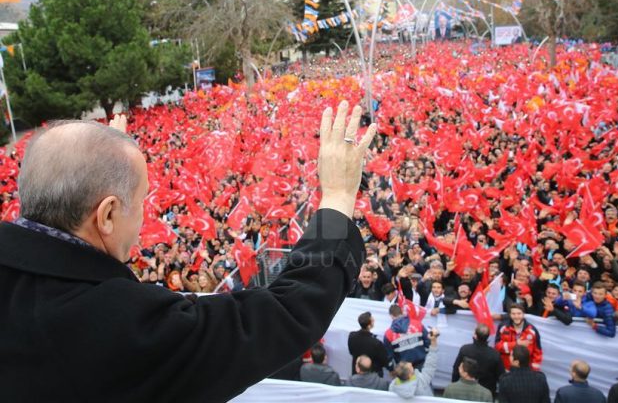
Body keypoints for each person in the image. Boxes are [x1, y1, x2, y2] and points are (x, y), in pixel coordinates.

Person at [0, 103, 377, 401]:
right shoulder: (130, 328)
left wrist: (100, 160)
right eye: (142, 200)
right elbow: (289, 312)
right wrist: (339, 197)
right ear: (108, 214)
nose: (146, 213)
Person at [452, 323, 505, 397]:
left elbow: (456, 369)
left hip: (465, 389)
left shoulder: (465, 349)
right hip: (487, 391)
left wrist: (454, 385)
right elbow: (501, 376)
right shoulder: (495, 354)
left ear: (475, 335)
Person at [389, 328, 440, 398]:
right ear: (410, 375)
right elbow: (430, 365)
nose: (410, 363)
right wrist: (433, 341)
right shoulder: (422, 382)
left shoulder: (392, 386)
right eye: (411, 367)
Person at [495, 304, 543, 371]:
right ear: (510, 315)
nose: (516, 316)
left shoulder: (532, 330)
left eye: (519, 313)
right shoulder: (503, 327)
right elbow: (497, 347)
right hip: (506, 368)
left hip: (525, 369)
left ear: (523, 314)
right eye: (513, 314)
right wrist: (516, 343)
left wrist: (534, 370)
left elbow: (537, 352)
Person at [384, 304, 431, 370]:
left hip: (404, 369)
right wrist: (424, 353)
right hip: (421, 363)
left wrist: (391, 369)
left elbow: (389, 356)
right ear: (402, 312)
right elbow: (428, 340)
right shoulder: (417, 324)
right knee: (424, 380)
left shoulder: (388, 334)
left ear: (391, 316)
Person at [347, 311, 390, 376]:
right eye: (373, 321)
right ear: (369, 326)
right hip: (373, 374)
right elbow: (384, 360)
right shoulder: (376, 343)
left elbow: (351, 351)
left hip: (357, 372)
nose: (374, 321)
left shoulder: (352, 336)